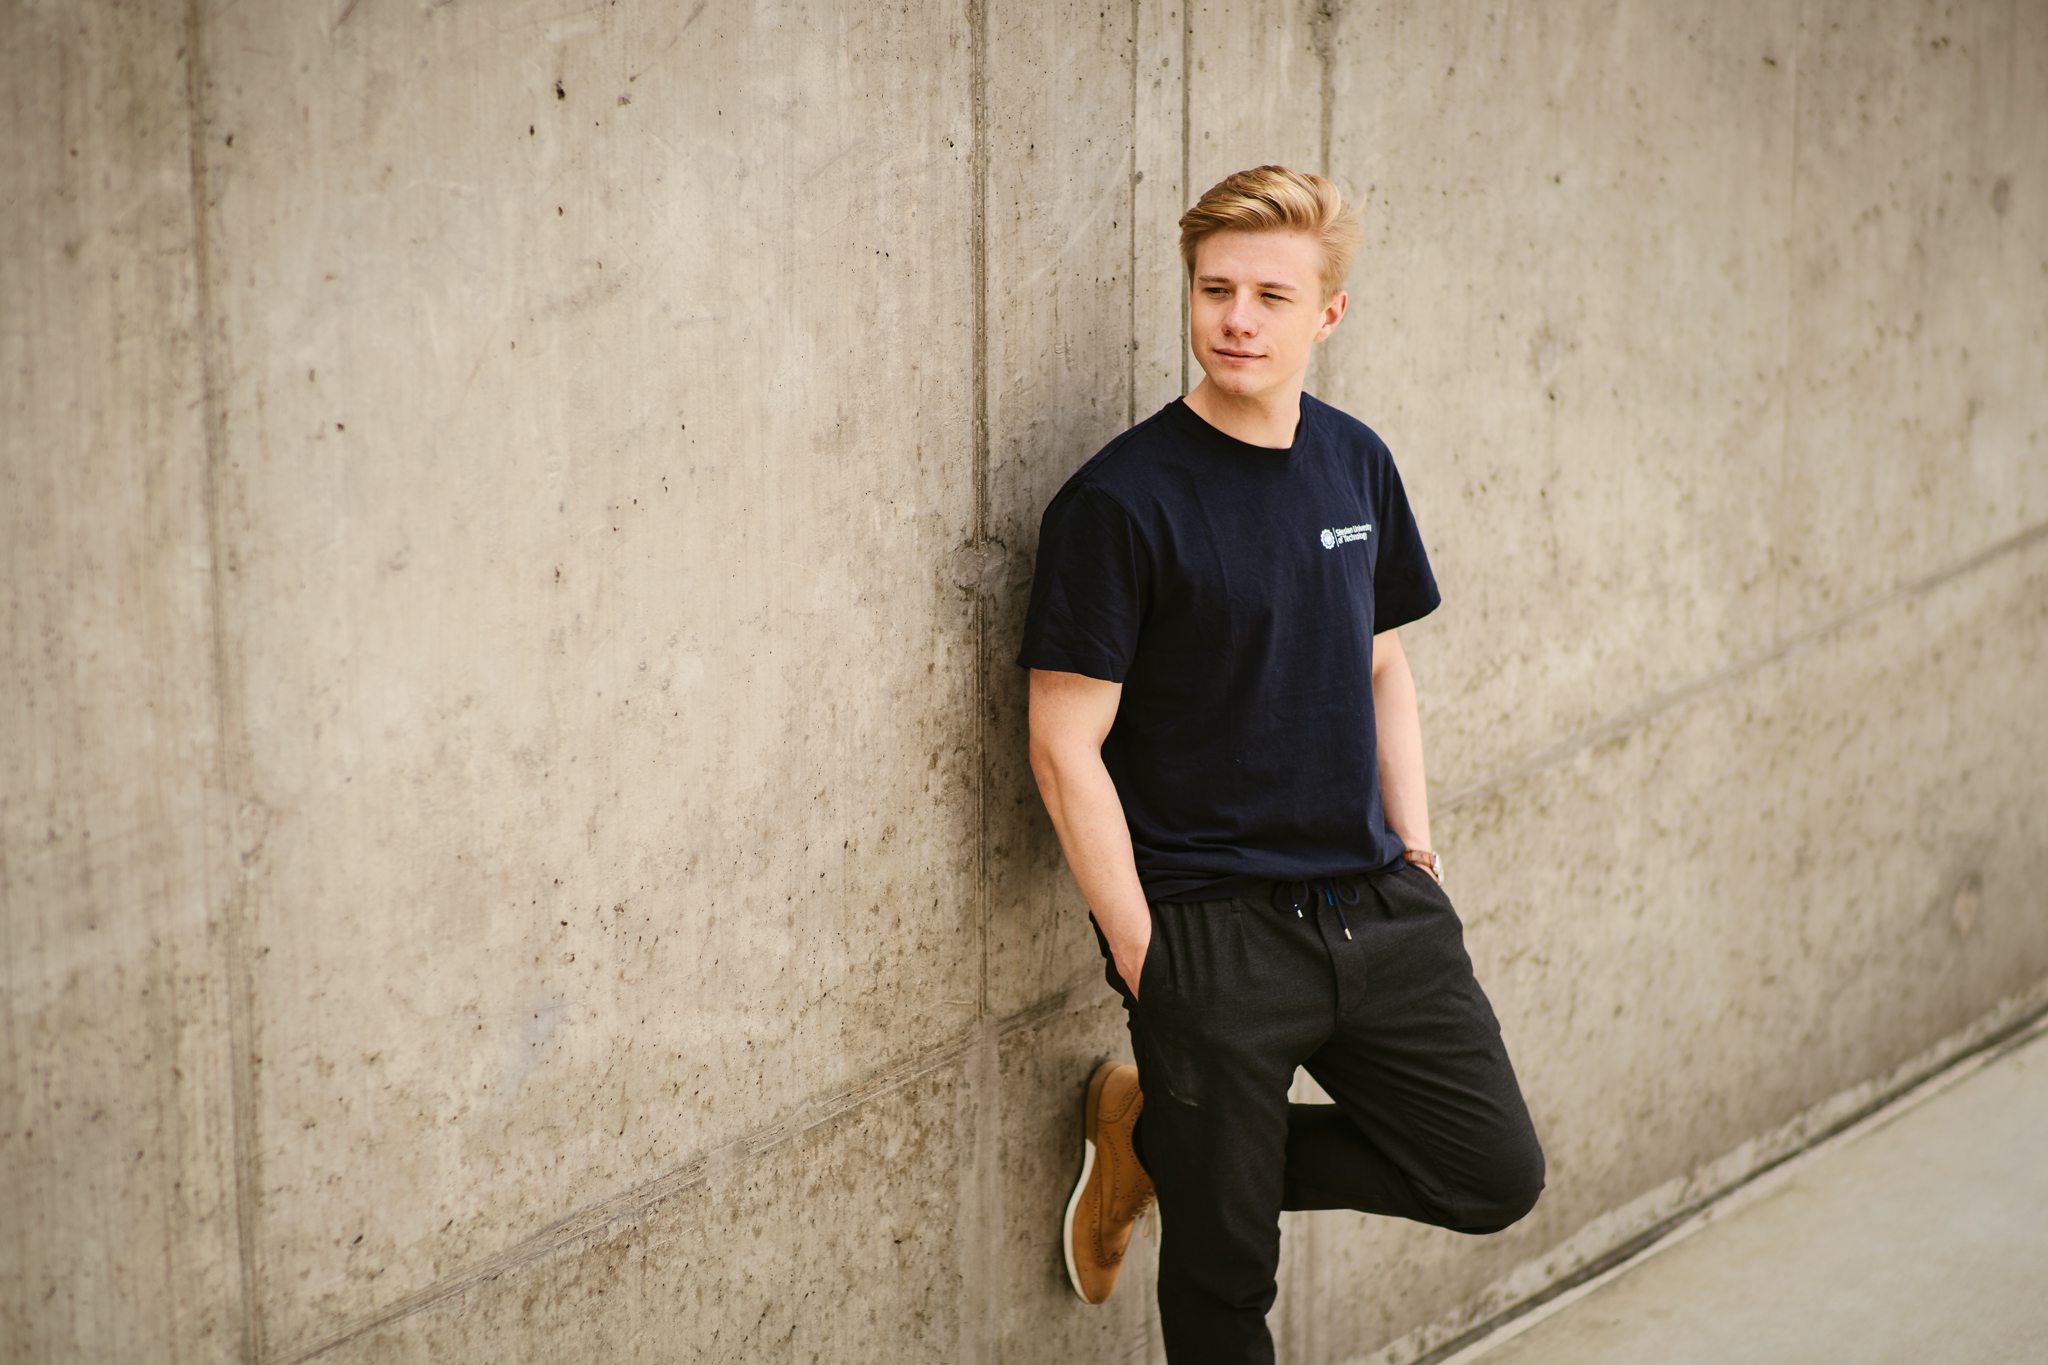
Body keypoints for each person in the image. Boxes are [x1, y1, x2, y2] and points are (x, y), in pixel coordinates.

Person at [1014, 165, 1546, 1363]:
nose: (1236, 320)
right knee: (1226, 1273)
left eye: (1269, 295)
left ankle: (1161, 1145)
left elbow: (1381, 665)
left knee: (1487, 1171)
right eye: (1214, 290)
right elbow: (1060, 745)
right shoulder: (1119, 502)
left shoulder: (1353, 461)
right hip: (1210, 931)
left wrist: (1415, 847)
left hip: (1375, 907)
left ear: (1327, 314)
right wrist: (1147, 959)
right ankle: (1201, 1165)